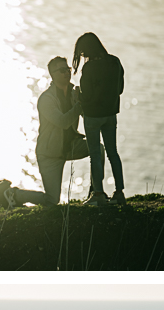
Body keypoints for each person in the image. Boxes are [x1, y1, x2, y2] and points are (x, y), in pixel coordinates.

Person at [26, 55, 105, 207]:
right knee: (52, 200)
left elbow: (84, 114)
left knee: (98, 148)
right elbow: (62, 122)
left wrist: (90, 99)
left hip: (71, 145)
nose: (67, 73)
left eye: (68, 69)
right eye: (62, 70)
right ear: (53, 75)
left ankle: (96, 194)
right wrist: (79, 104)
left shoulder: (74, 92)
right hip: (50, 153)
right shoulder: (46, 99)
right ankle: (15, 195)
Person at [72, 33, 125, 207]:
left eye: (82, 53)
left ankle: (98, 194)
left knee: (95, 154)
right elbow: (120, 89)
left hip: (93, 116)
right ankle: (119, 193)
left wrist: (77, 94)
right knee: (112, 152)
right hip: (110, 114)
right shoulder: (115, 62)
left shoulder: (90, 68)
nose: (82, 56)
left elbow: (87, 97)